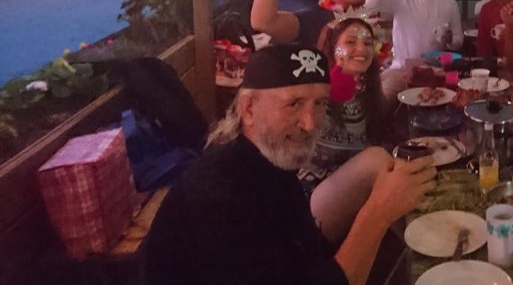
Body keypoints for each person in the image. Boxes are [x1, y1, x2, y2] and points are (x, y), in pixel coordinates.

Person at [144, 44, 436, 285]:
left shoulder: (271, 161)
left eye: (320, 103)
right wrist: (378, 213)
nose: (310, 123)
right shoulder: (218, 194)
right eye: (293, 103)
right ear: (249, 108)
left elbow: (309, 254)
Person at [313, 17, 387, 165]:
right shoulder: (317, 92)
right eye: (350, 42)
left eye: (367, 43)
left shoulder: (367, 90)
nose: (362, 49)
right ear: (333, 47)